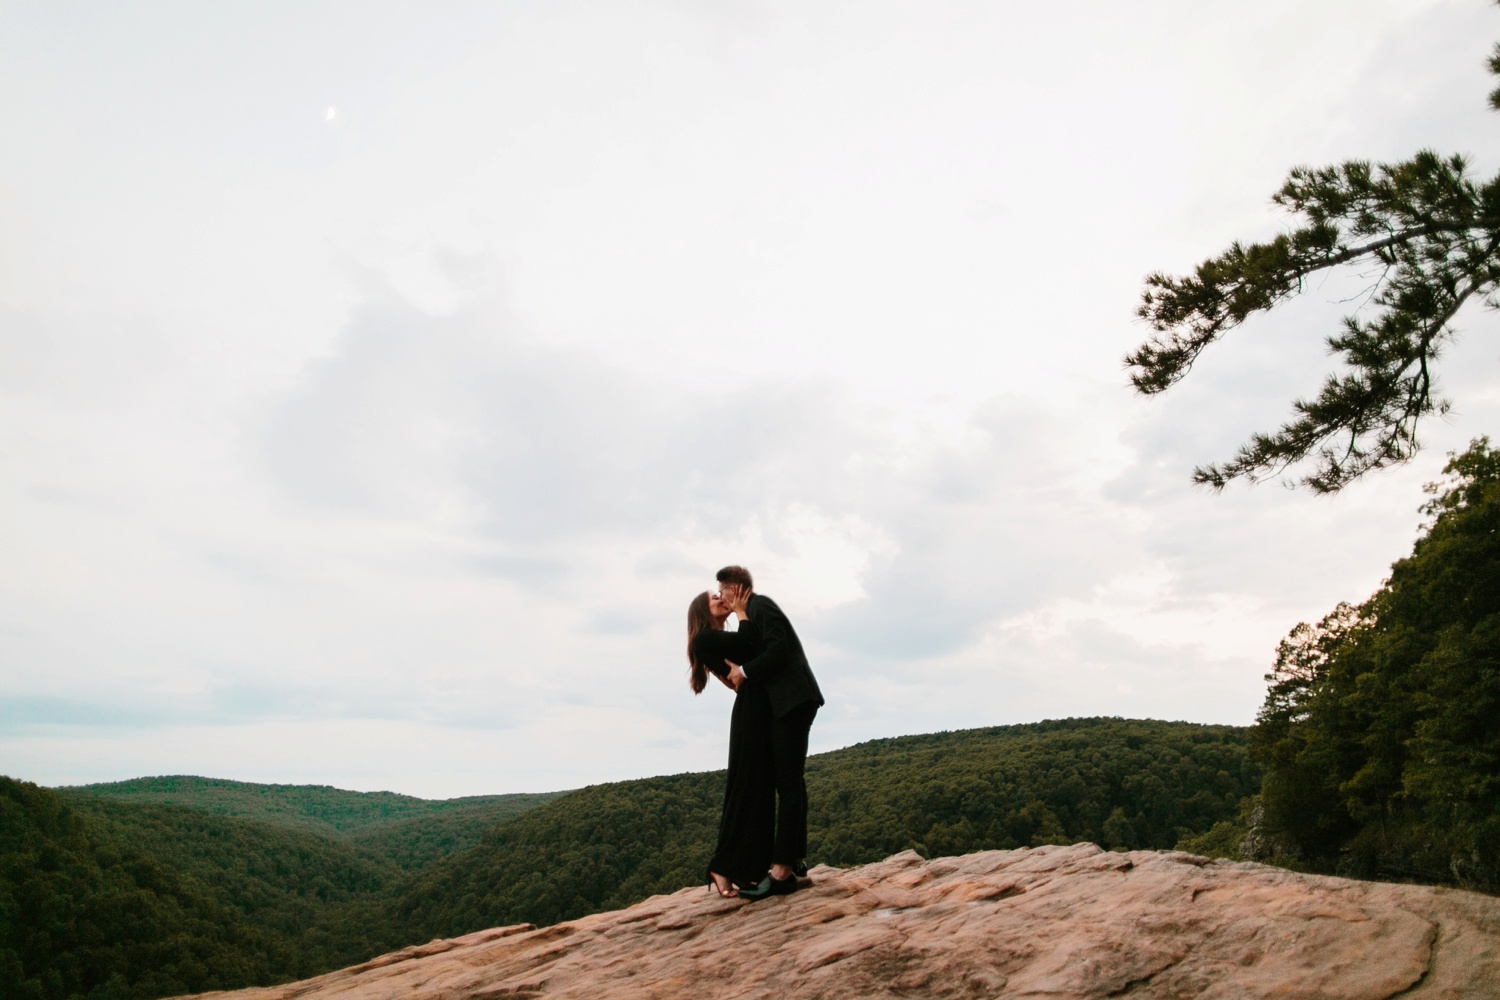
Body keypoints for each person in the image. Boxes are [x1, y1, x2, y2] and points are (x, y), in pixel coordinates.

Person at [714, 565, 824, 900]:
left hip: (793, 702)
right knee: (789, 783)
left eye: (722, 590)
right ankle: (793, 861)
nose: (720, 596)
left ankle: (781, 872)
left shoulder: (761, 606)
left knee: (788, 784)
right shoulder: (752, 613)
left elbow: (779, 648)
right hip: (787, 704)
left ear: (736, 588)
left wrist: (745, 672)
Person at [687, 587, 773, 898]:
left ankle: (748, 868)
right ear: (702, 611)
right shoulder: (705, 638)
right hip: (751, 712)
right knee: (747, 788)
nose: (721, 599)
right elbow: (750, 643)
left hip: (755, 708)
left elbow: (748, 656)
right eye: (714, 598)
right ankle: (723, 867)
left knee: (756, 789)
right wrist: (740, 610)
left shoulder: (716, 639)